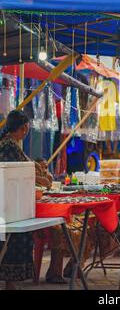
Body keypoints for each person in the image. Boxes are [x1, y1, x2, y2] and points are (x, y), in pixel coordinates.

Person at [0, 110, 51, 290]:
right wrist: (41, 180)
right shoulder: (8, 146)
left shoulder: (11, 144)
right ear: (23, 128)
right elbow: (16, 172)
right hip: (9, 205)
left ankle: (10, 284)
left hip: (12, 203)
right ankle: (9, 283)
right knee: (11, 241)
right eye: (26, 127)